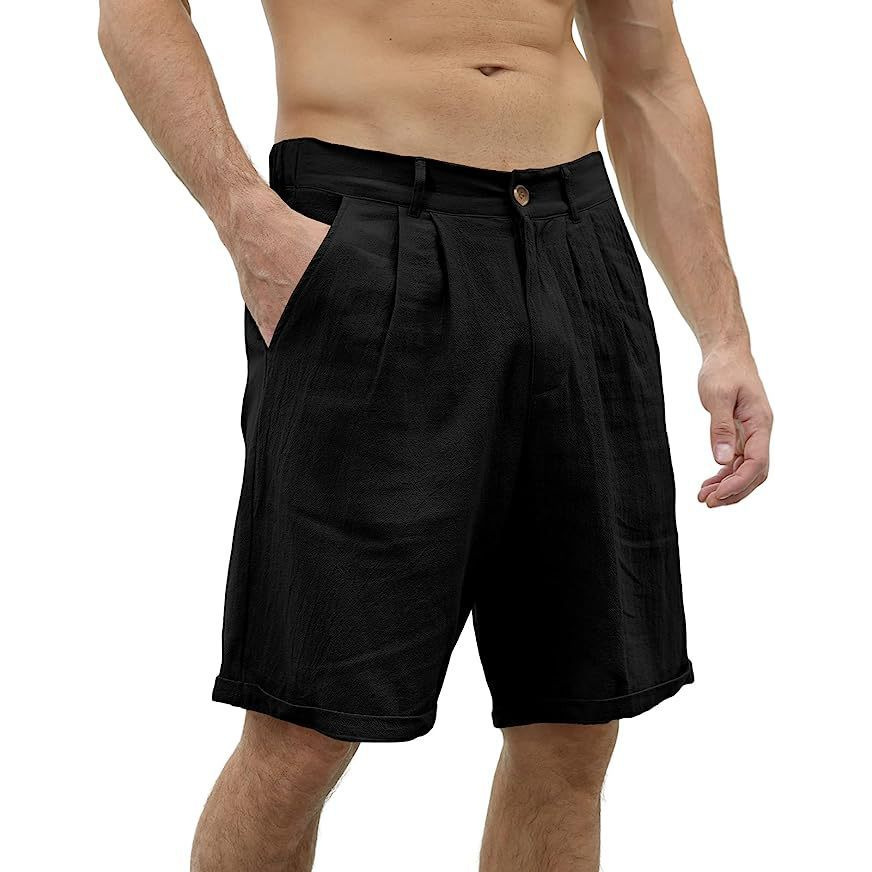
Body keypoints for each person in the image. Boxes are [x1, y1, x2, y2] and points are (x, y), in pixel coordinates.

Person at [99, 0, 773, 869]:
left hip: (576, 240)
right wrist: (246, 220)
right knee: (303, 729)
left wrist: (724, 335)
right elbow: (134, 12)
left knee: (574, 726)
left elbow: (649, 76)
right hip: (368, 228)